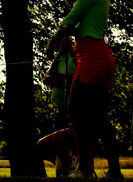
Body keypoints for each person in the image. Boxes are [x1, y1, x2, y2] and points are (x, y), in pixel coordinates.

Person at [48, 0, 123, 182]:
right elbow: (81, 23)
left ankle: (85, 170)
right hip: (101, 56)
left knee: (75, 111)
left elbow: (73, 16)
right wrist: (69, 33)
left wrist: (54, 39)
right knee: (100, 118)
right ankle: (114, 172)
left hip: (91, 58)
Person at [38, 35, 77, 177]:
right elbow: (47, 78)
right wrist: (60, 53)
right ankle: (62, 171)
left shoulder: (75, 56)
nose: (61, 46)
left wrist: (62, 80)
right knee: (59, 141)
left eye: (64, 43)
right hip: (61, 107)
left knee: (72, 141)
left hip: (74, 107)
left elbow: (79, 75)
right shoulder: (60, 59)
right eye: (60, 44)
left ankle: (72, 169)